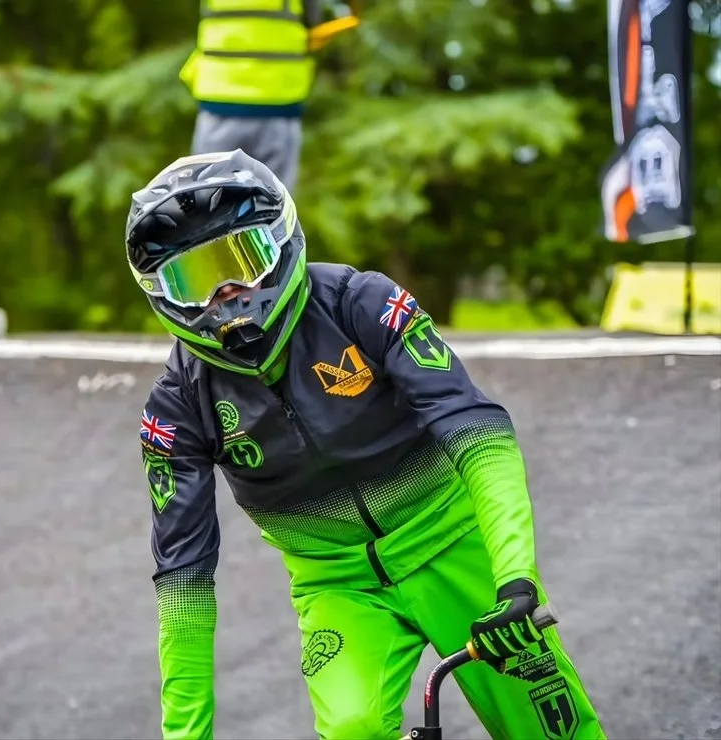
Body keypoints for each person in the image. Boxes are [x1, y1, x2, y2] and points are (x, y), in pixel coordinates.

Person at [126, 149, 606, 740]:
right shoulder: (178, 403)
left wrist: (515, 580)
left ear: (282, 240)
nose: (227, 293)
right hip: (338, 584)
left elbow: (480, 435)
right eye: (194, 279)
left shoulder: (361, 303)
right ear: (161, 293)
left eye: (244, 260)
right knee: (354, 728)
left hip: (456, 546)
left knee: (554, 732)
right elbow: (183, 578)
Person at [180, 0, 341, 195]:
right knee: (274, 206)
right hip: (277, 102)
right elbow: (316, 21)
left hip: (219, 100)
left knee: (207, 200)